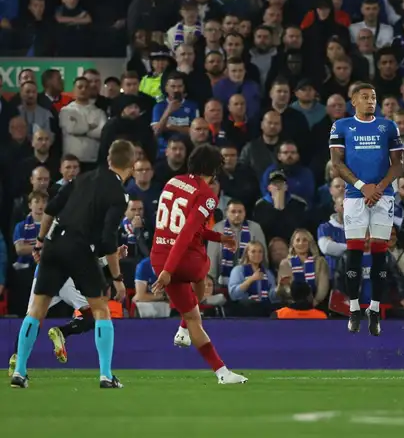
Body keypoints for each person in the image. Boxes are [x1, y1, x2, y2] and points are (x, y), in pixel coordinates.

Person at [10, 140, 135, 389]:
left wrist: (40, 242)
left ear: (108, 159)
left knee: (36, 309)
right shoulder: (119, 195)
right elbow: (108, 237)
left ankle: (20, 372)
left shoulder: (82, 178)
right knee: (101, 310)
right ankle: (106, 375)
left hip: (54, 245)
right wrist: (118, 278)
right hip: (80, 249)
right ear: (131, 165)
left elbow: (52, 208)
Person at [149, 144, 248, 385]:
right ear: (214, 169)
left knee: (192, 313)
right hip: (180, 259)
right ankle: (221, 371)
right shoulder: (206, 195)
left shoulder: (172, 182)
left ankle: (186, 334)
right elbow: (186, 234)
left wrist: (218, 236)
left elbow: (182, 225)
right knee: (202, 271)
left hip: (159, 253)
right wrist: (169, 271)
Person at [330, 83, 404, 334]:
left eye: (373, 97)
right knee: (354, 254)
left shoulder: (387, 126)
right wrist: (363, 187)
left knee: (380, 255)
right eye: (365, 97)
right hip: (354, 196)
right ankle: (353, 308)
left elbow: (398, 165)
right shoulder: (341, 126)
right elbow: (337, 163)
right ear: (354, 101)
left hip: (383, 197)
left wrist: (379, 188)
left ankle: (374, 309)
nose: (371, 101)